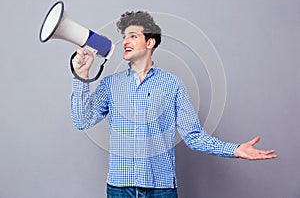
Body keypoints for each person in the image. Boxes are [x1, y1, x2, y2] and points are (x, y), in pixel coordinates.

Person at [70, 11, 277, 198]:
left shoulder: (173, 85)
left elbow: (194, 137)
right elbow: (81, 120)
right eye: (124, 36)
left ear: (150, 42)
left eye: (133, 36)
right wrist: (81, 76)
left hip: (161, 189)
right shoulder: (110, 84)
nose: (125, 41)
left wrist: (235, 150)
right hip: (119, 188)